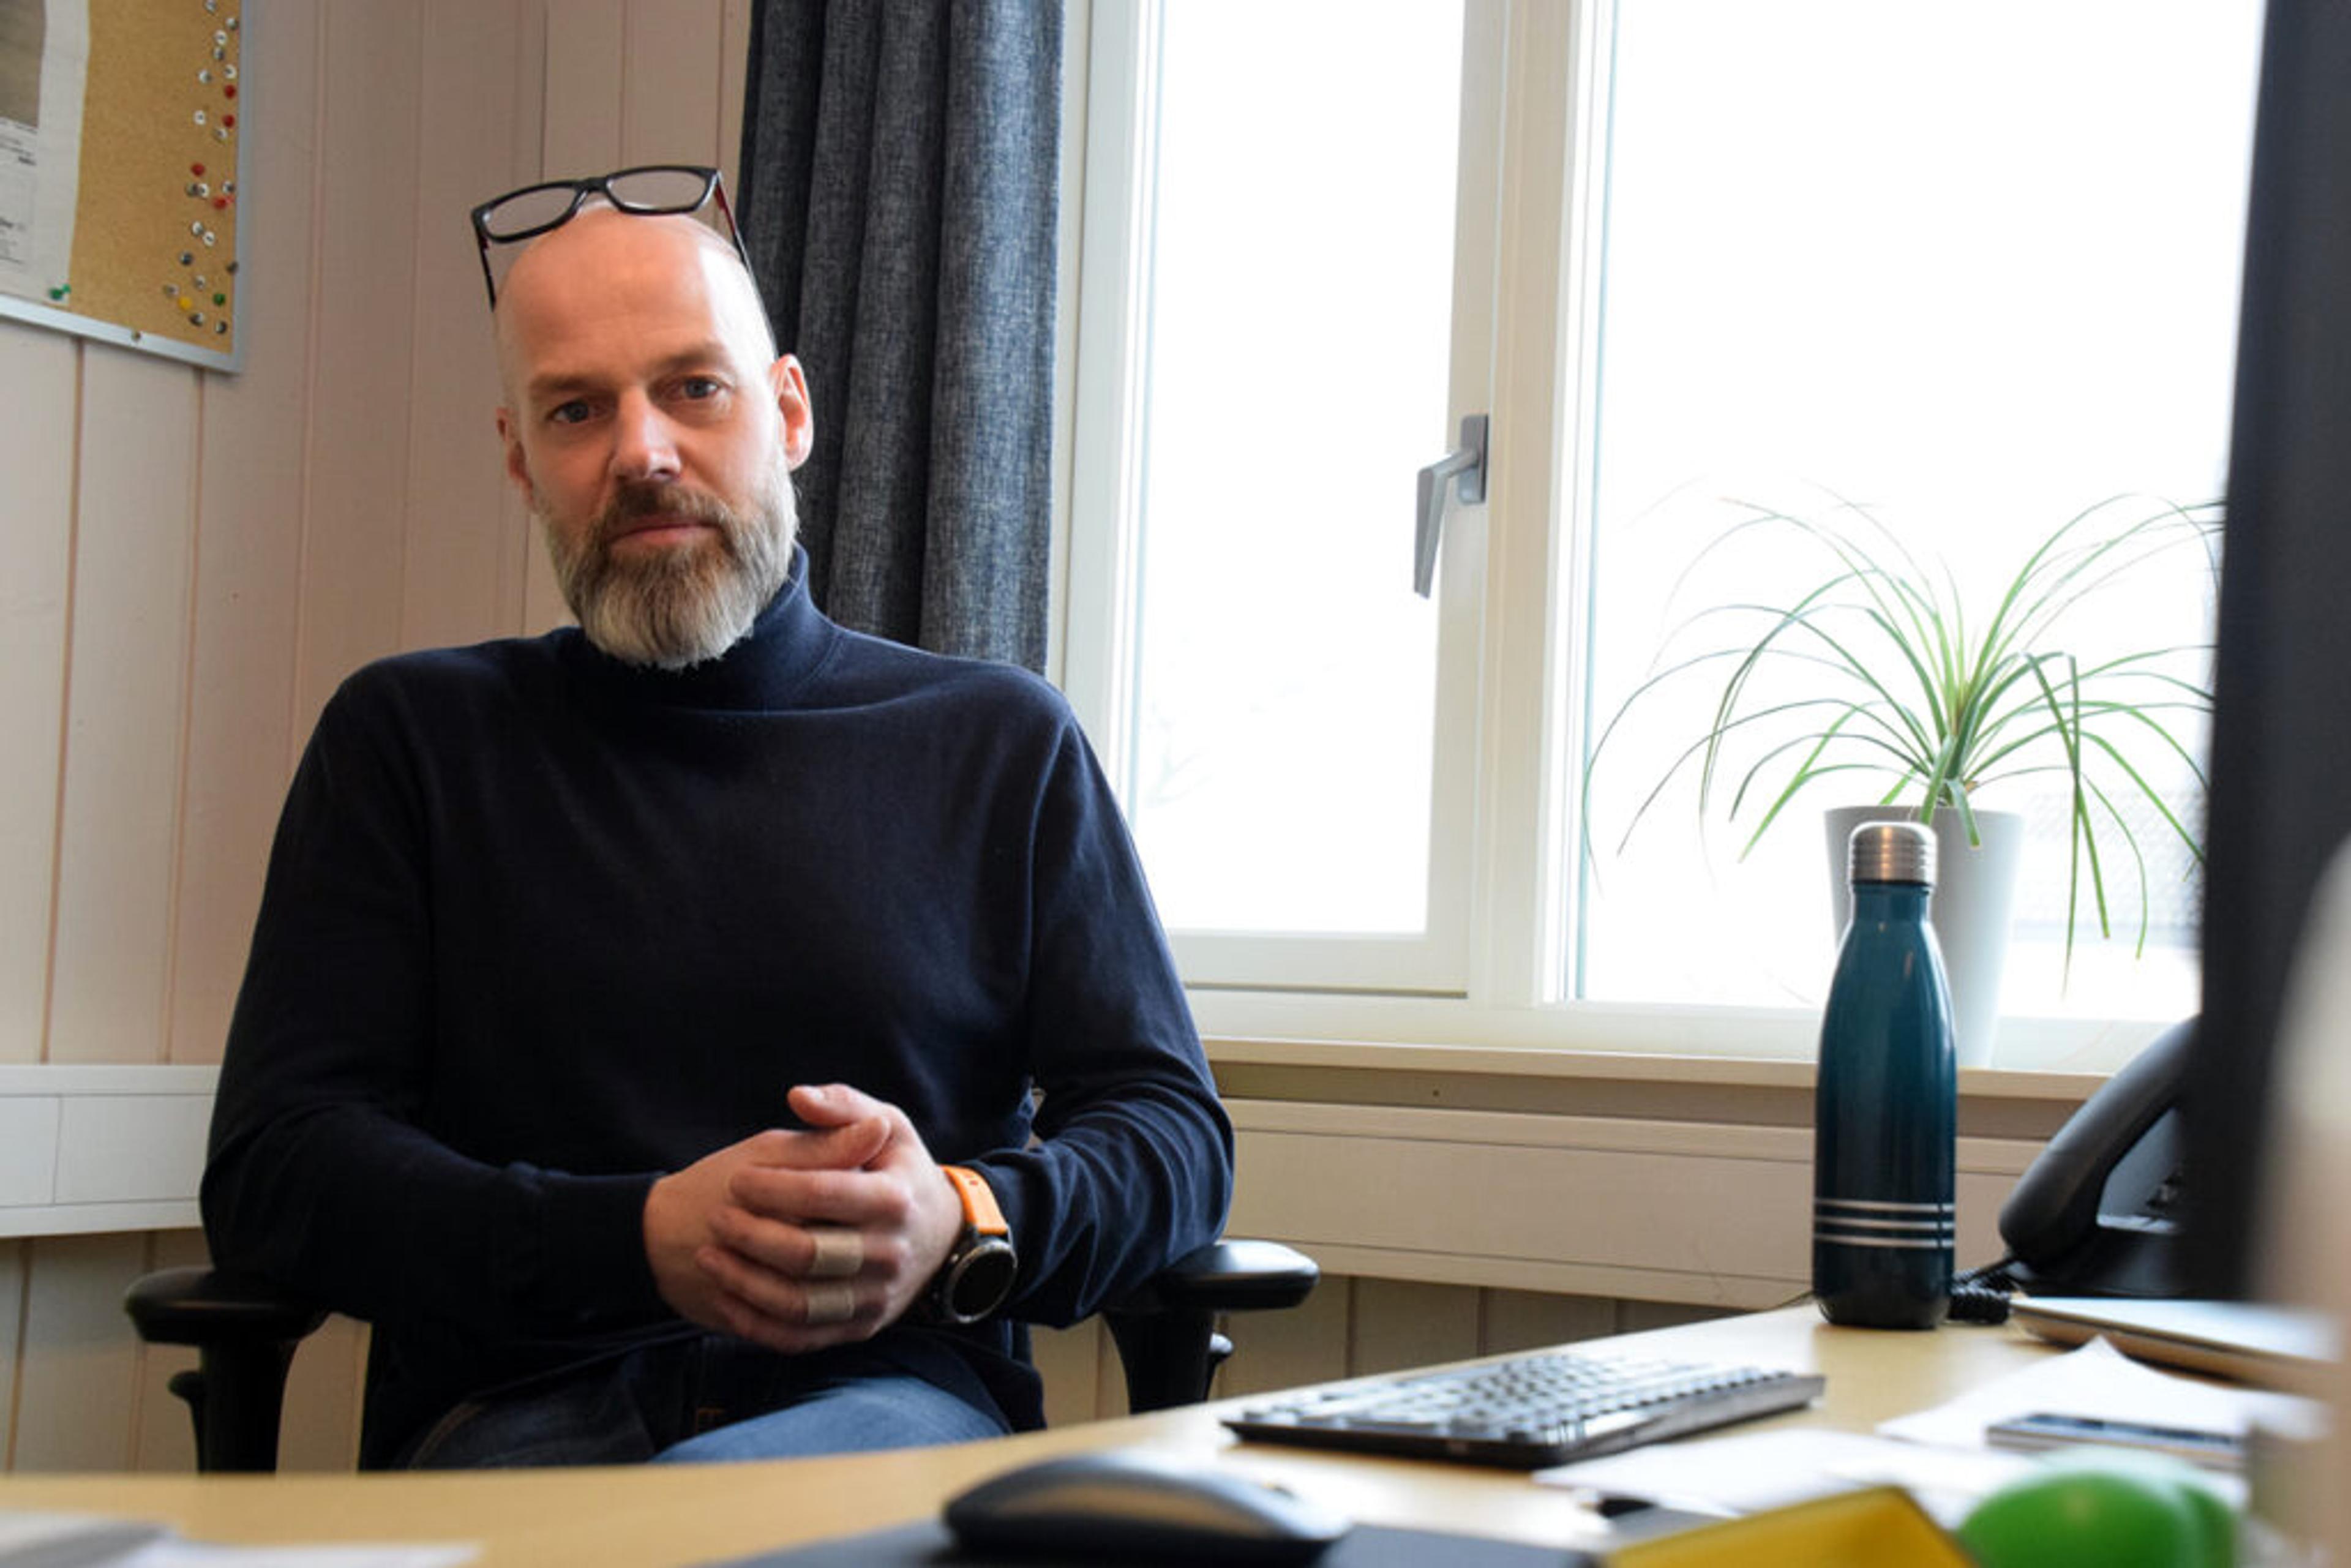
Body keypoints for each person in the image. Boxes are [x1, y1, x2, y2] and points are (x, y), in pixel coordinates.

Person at [200, 171, 1234, 1469]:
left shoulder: (998, 744)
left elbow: (1171, 1131)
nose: (642, 452)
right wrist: (634, 1239)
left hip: (883, 1412)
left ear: (788, 411)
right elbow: (277, 1171)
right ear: (520, 460)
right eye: (576, 409)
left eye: (694, 388)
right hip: (514, 1426)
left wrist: (964, 1214)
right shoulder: (409, 742)